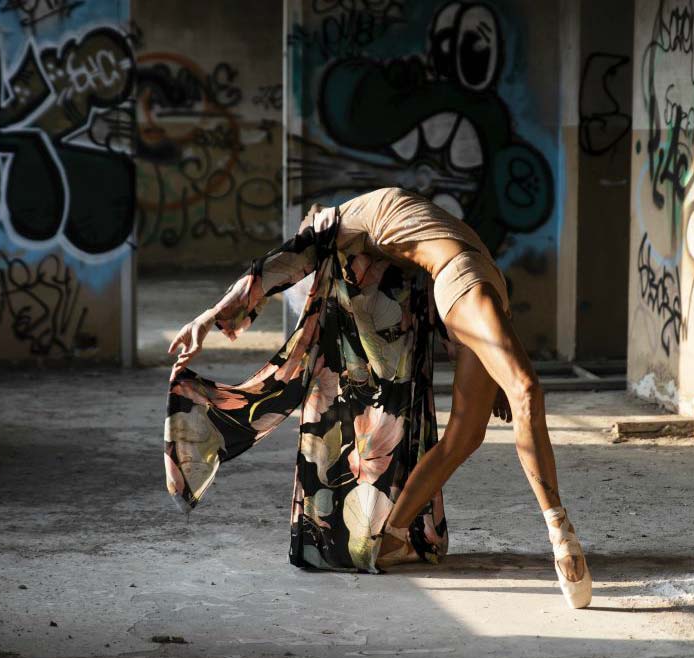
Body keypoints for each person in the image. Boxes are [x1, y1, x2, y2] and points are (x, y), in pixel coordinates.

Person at [165, 187, 591, 609]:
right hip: (466, 280)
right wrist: (207, 317)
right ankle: (563, 541)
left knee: (467, 435)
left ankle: (389, 537)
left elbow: (278, 266)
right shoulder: (381, 212)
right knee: (527, 391)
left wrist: (208, 317)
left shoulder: (338, 224)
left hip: (472, 285)